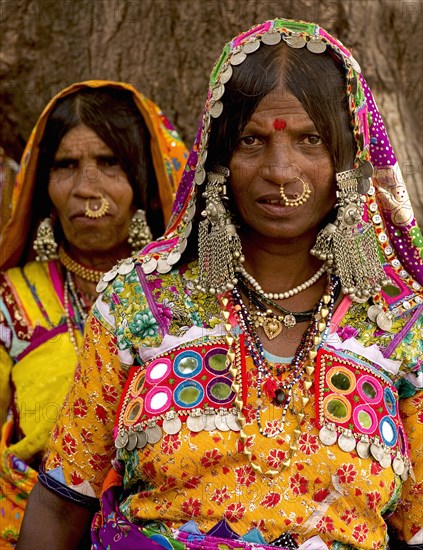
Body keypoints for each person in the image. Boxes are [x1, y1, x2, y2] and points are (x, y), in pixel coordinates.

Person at [17, 19, 423, 550]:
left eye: (311, 140)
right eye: (251, 140)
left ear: (348, 160)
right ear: (216, 161)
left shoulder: (401, 325)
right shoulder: (139, 304)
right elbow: (61, 503)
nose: (281, 170)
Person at [0, 80, 187, 547]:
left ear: (143, 181)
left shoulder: (186, 296)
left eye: (110, 163)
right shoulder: (11, 298)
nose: (87, 188)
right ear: (45, 185)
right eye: (67, 166)